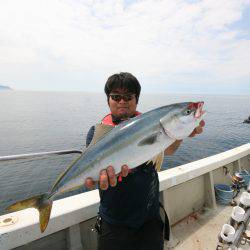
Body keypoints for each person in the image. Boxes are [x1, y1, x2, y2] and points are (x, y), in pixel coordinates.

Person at [84, 72, 205, 250]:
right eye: (116, 97)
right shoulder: (97, 133)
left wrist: (182, 132)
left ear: (136, 99)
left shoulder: (151, 125)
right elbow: (92, 172)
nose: (122, 101)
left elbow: (168, 149)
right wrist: (95, 178)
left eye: (128, 96)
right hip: (114, 222)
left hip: (149, 218)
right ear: (108, 100)